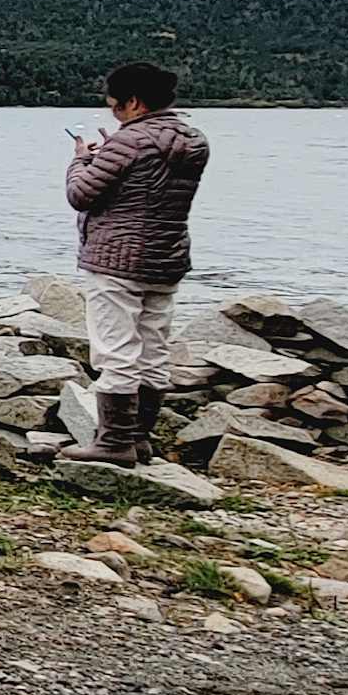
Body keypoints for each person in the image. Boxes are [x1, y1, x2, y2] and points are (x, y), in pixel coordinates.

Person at [60, 60, 210, 464]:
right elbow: (148, 182)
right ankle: (140, 438)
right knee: (153, 349)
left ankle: (113, 444)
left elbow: (82, 195)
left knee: (115, 352)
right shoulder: (194, 140)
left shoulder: (128, 143)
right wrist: (114, 152)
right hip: (166, 258)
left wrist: (82, 159)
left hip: (116, 260)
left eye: (115, 104)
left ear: (133, 102)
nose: (113, 111)